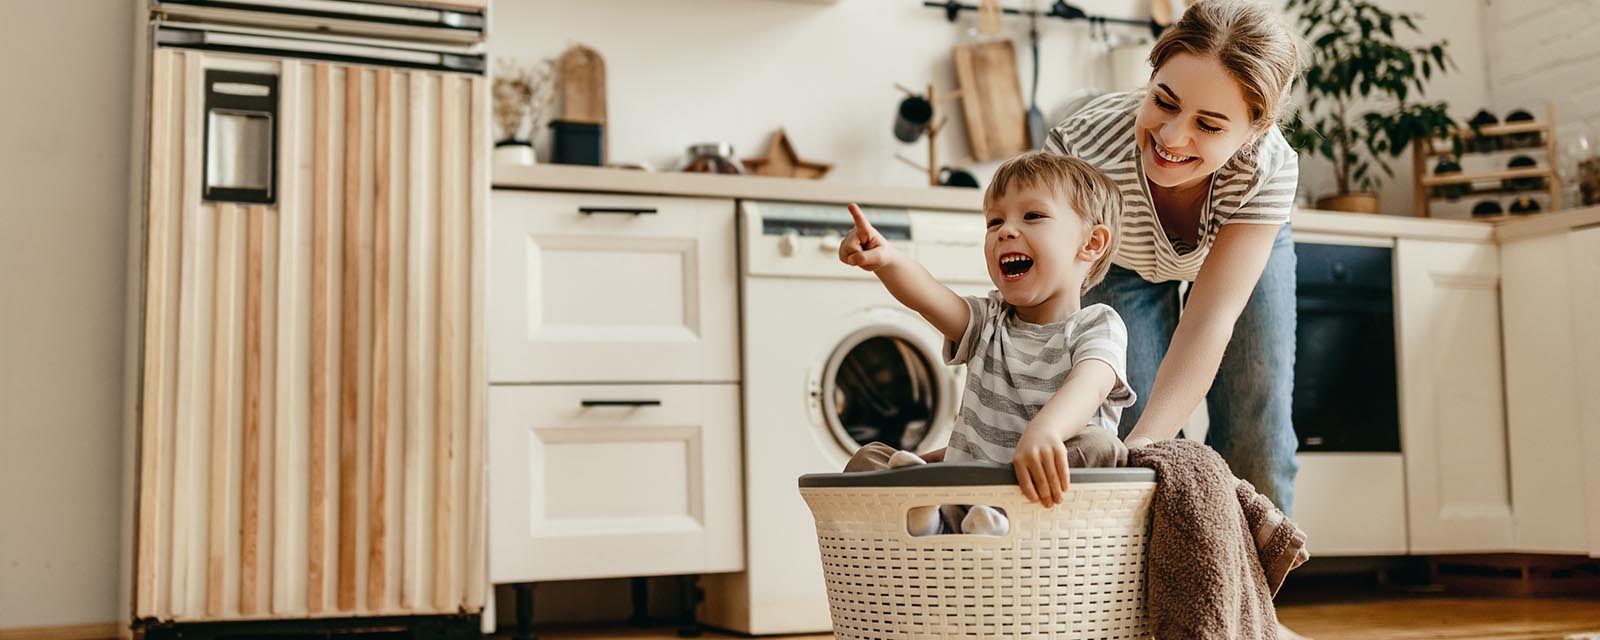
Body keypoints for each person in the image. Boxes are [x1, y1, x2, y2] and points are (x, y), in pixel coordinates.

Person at [1049, 0, 1305, 516]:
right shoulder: (1081, 150)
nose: (1170, 138)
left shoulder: (1267, 168)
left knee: (1259, 423)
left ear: (1254, 130)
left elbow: (1210, 321)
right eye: (1164, 102)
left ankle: (1255, 592)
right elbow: (1053, 294)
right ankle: (1165, 589)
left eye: (1208, 126)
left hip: (1235, 252)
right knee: (1137, 423)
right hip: (1121, 262)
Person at [837, 151, 1134, 535]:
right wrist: (888, 260)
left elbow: (1089, 386)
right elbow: (928, 296)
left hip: (1044, 503)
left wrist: (1045, 431)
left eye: (1032, 216)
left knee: (1103, 448)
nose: (1005, 231)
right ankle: (931, 521)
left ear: (1091, 243)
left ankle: (987, 524)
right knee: (870, 460)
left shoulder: (1098, 325)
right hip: (963, 492)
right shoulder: (989, 321)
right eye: (995, 221)